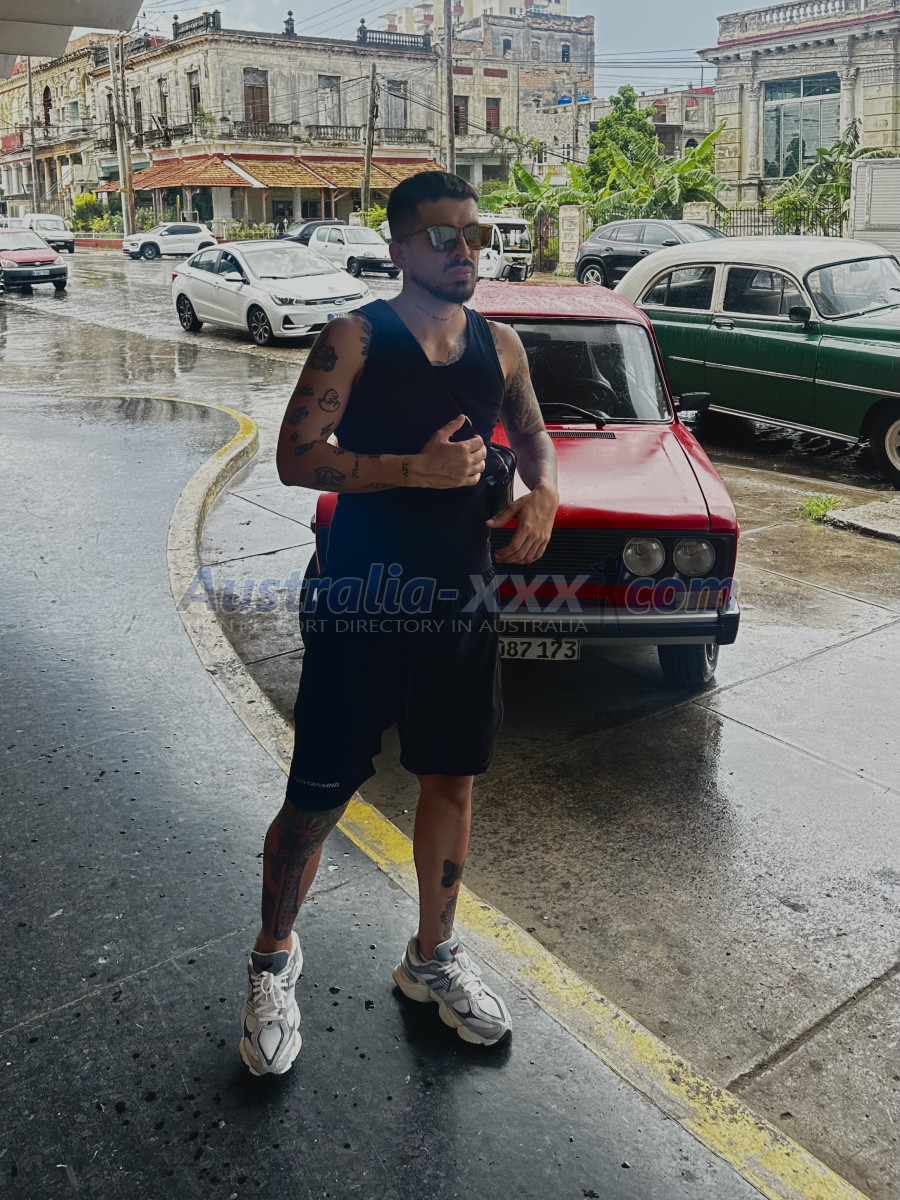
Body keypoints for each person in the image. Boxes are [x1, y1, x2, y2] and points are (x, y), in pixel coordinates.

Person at [239, 171, 558, 1076]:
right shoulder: (356, 339)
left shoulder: (501, 347)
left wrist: (545, 494)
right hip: (364, 602)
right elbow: (295, 457)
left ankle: (432, 957)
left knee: (451, 780)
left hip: (461, 602)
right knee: (317, 795)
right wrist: (410, 471)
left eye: (475, 234)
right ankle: (271, 961)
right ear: (399, 249)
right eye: (442, 236)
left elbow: (534, 437)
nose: (464, 251)